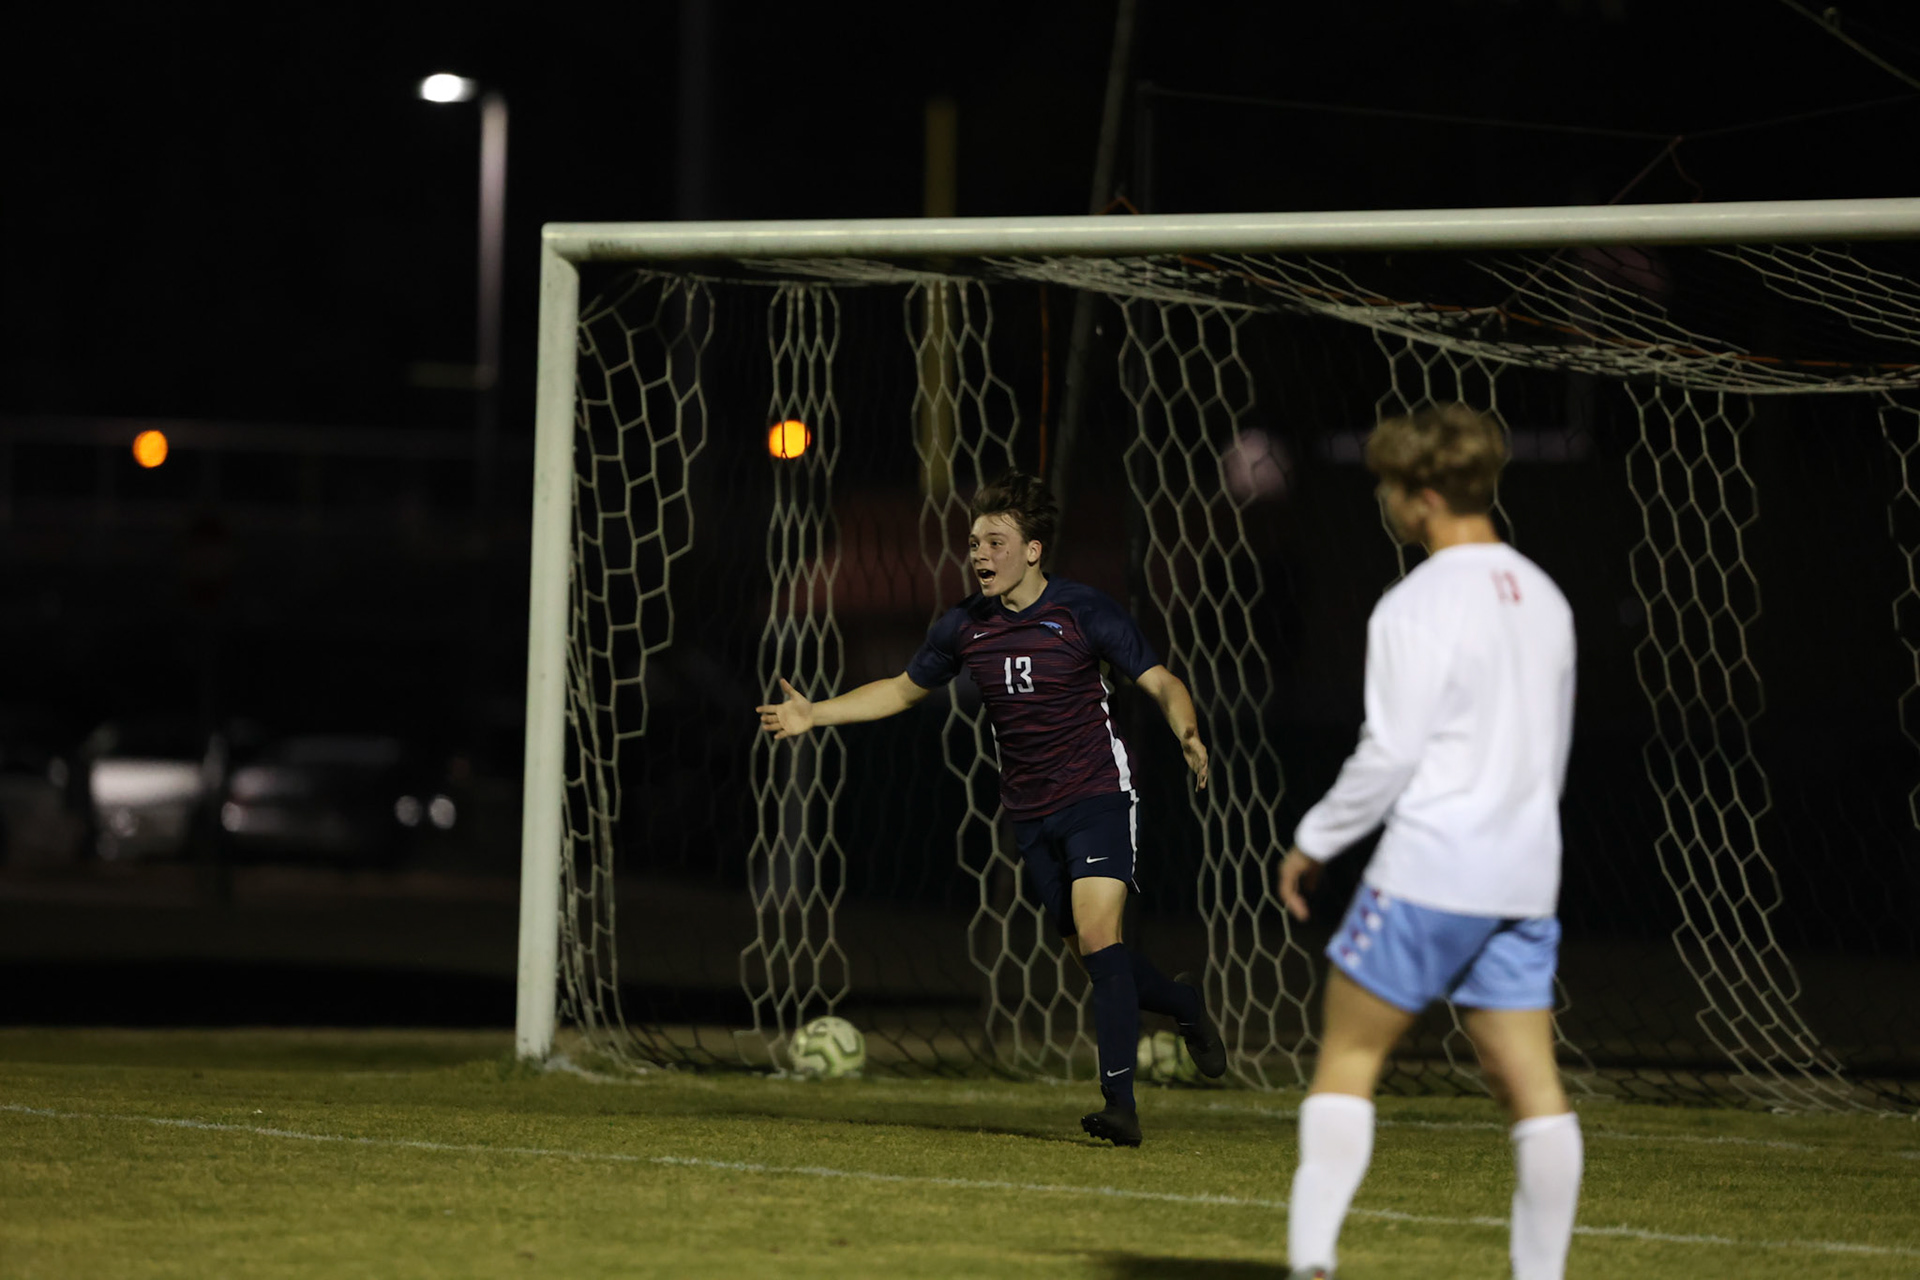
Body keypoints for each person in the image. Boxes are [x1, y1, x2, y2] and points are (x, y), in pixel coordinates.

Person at [757, 469, 1226, 1145]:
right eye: (975, 541)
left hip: (1098, 796)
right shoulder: (962, 627)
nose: (980, 554)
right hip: (1031, 816)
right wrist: (814, 715)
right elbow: (901, 689)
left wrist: (1188, 731)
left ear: (1033, 549)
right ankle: (1181, 1002)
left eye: (996, 542)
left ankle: (1120, 1106)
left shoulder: (1083, 612)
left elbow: (1161, 680)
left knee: (1100, 939)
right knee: (1100, 960)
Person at [1276, 405, 1581, 1280]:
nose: (1383, 501)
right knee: (1533, 1092)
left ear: (1420, 497)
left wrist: (1315, 839)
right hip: (1522, 879)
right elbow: (1547, 752)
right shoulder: (1546, 596)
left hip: (1430, 872)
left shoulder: (1413, 604)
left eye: (1387, 485)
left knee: (1348, 1057)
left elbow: (1393, 753)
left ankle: (1310, 1264)